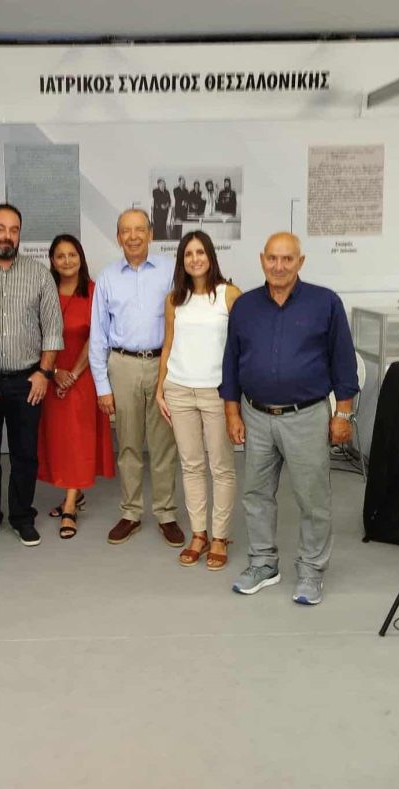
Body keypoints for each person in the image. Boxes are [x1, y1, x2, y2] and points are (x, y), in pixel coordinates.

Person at [222, 232, 358, 605]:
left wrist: (343, 413)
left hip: (307, 416)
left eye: (287, 259)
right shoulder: (245, 306)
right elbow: (231, 362)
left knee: (312, 499)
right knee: (256, 494)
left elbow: (343, 362)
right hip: (256, 415)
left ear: (300, 261)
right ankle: (263, 564)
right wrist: (232, 411)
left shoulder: (325, 303)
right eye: (272, 258)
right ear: (262, 259)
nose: (279, 266)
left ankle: (311, 571)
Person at [0, 204, 63, 547]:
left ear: (19, 234)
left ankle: (22, 516)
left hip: (28, 381)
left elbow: (52, 329)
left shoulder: (39, 275)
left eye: (13, 229)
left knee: (25, 454)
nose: (7, 236)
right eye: (0, 228)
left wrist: (44, 373)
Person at [89, 209, 182, 548]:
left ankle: (166, 513)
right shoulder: (108, 277)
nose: (133, 236)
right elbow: (98, 335)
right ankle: (130, 512)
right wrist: (102, 386)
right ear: (118, 237)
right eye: (126, 231)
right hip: (123, 364)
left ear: (151, 234)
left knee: (163, 445)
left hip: (162, 366)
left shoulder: (171, 271)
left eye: (139, 229)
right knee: (128, 444)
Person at [156, 231, 241, 569]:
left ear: (210, 256)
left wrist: (235, 395)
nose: (195, 259)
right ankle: (199, 534)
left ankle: (220, 536)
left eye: (200, 252)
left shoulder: (229, 295)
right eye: (188, 254)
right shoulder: (174, 299)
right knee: (191, 465)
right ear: (182, 260)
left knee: (221, 466)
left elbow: (240, 348)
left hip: (216, 393)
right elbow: (168, 344)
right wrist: (161, 388)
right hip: (179, 390)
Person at [38, 234, 115, 538]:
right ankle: (74, 493)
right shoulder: (44, 290)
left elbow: (98, 336)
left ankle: (70, 505)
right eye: (60, 256)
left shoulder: (95, 292)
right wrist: (54, 371)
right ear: (52, 261)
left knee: (77, 440)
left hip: (83, 376)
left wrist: (71, 374)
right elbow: (35, 333)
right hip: (50, 374)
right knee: (59, 440)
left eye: (72, 255)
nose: (67, 261)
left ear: (81, 258)